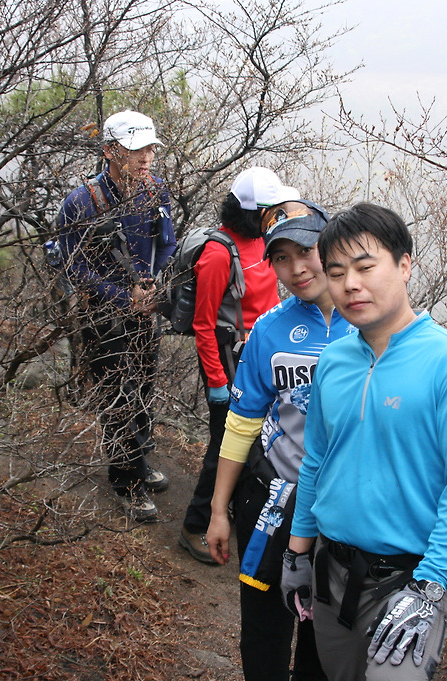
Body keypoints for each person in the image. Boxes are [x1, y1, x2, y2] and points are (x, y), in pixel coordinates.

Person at [281, 203, 447, 681]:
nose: (350, 284)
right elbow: (316, 460)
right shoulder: (334, 361)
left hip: (408, 577)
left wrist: (429, 589)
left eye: (364, 266)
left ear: (404, 265)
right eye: (336, 272)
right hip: (330, 569)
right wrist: (297, 553)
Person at [206, 199, 351, 681]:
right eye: (281, 258)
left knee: (324, 645)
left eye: (305, 251)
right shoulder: (270, 329)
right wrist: (219, 510)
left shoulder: (374, 324)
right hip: (274, 502)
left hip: (344, 513)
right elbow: (242, 422)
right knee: (264, 636)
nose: (296, 268)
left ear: (329, 245)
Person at [54, 110, 177, 523]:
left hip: (145, 308)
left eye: (149, 149)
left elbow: (166, 244)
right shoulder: (82, 202)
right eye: (135, 149)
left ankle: (139, 459)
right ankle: (127, 482)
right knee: (117, 393)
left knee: (143, 385)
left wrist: (154, 285)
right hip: (103, 312)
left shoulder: (156, 190)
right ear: (109, 151)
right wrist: (121, 295)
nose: (146, 158)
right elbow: (71, 264)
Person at [179, 167, 290, 562]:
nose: (276, 217)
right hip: (229, 364)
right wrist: (216, 383)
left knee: (262, 443)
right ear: (251, 212)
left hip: (262, 362)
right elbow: (204, 325)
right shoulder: (217, 254)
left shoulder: (265, 243)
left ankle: (240, 521)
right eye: (270, 211)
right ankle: (196, 526)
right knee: (224, 449)